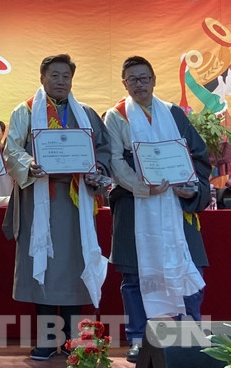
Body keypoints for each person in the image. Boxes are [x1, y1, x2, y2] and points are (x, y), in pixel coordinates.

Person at [103, 56, 210, 363]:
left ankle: (188, 337)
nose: (139, 84)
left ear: (153, 80)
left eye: (144, 78)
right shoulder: (116, 116)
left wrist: (192, 188)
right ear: (124, 84)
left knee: (188, 269)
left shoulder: (174, 113)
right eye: (132, 79)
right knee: (135, 276)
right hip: (135, 204)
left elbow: (199, 156)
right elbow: (114, 161)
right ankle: (139, 338)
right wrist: (141, 186)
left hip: (177, 206)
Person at [4, 54, 110, 361]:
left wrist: (97, 170)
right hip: (40, 201)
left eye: (66, 76)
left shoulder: (86, 114)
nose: (61, 81)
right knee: (45, 268)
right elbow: (11, 149)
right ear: (42, 78)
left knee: (76, 268)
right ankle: (48, 340)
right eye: (54, 75)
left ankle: (75, 340)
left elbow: (103, 151)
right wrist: (29, 164)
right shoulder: (25, 111)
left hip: (76, 202)